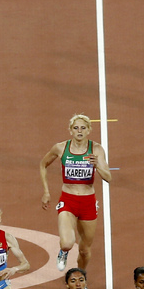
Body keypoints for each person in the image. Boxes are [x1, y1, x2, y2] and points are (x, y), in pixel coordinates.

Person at [39, 114, 112, 272]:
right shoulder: (61, 148)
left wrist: (97, 165)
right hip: (68, 200)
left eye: (83, 128)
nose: (79, 131)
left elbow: (108, 177)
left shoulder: (97, 149)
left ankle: (81, 276)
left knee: (84, 250)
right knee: (67, 243)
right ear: (70, 130)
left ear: (89, 130)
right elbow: (43, 164)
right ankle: (63, 252)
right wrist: (46, 191)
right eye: (76, 128)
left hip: (88, 203)